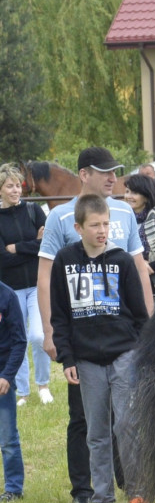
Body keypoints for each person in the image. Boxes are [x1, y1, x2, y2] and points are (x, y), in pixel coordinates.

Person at [38, 146, 153, 503]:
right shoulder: (61, 228)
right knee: (90, 427)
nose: (112, 178)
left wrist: (146, 340)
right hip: (84, 351)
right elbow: (54, 297)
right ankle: (92, 495)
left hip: (122, 348)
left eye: (114, 171)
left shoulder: (122, 226)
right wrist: (56, 340)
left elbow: (139, 284)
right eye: (103, 171)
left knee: (127, 423)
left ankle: (135, 488)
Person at [0, 164, 52, 407]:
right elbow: (2, 259)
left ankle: (43, 385)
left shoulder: (34, 211)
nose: (15, 190)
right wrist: (32, 245)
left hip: (36, 285)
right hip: (9, 290)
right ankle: (22, 391)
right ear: (0, 190)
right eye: (9, 186)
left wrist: (17, 247)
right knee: (15, 338)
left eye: (17, 185)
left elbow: (46, 245)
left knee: (38, 335)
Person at [0, 281, 27, 502]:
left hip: (1, 378)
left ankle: (14, 488)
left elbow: (20, 341)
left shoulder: (7, 296)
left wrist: (7, 376)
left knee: (7, 437)